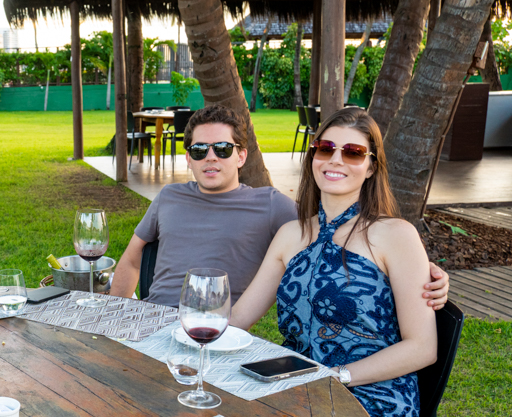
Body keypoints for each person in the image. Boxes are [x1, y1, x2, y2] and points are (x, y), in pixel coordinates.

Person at [230, 107, 436, 417]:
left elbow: (422, 347)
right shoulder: (291, 234)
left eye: (353, 151)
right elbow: (238, 320)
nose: (336, 159)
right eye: (326, 147)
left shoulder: (394, 235)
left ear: (372, 166)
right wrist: (185, 320)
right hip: (296, 386)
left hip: (375, 398)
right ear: (313, 156)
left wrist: (337, 378)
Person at [110, 104, 450, 309]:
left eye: (222, 149)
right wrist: (115, 313)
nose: (210, 157)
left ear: (241, 156)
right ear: (189, 158)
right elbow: (132, 258)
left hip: (218, 329)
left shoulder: (270, 205)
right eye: (200, 150)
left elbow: (334, 231)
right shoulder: (169, 196)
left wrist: (417, 268)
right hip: (152, 318)